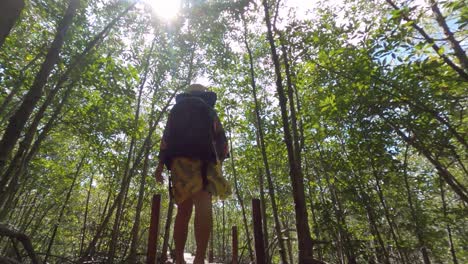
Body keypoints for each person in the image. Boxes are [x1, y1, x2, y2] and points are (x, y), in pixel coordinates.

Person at [154, 84, 231, 264]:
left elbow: (166, 139)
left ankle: (179, 258)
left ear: (186, 94)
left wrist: (160, 166)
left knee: (183, 210)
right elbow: (220, 138)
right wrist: (219, 161)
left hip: (178, 164)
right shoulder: (208, 109)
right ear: (203, 94)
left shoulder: (176, 110)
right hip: (203, 161)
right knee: (203, 207)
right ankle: (199, 259)